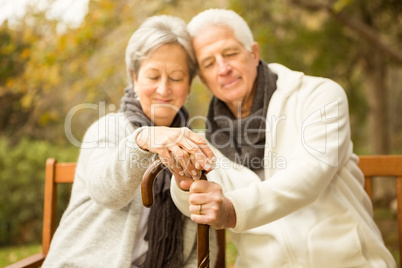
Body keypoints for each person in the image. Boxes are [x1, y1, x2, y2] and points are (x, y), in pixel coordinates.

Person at [171, 9, 397, 267]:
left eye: (230, 53)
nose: (223, 68)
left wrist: (232, 210)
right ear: (203, 78)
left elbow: (309, 176)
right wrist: (184, 182)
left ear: (253, 53)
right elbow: (189, 201)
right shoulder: (206, 140)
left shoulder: (319, 96)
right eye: (209, 63)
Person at [43, 15, 217, 268]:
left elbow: (200, 239)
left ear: (189, 85)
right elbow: (107, 193)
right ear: (135, 79)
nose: (164, 89)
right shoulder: (108, 128)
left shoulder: (192, 145)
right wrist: (143, 141)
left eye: (177, 78)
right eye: (153, 76)